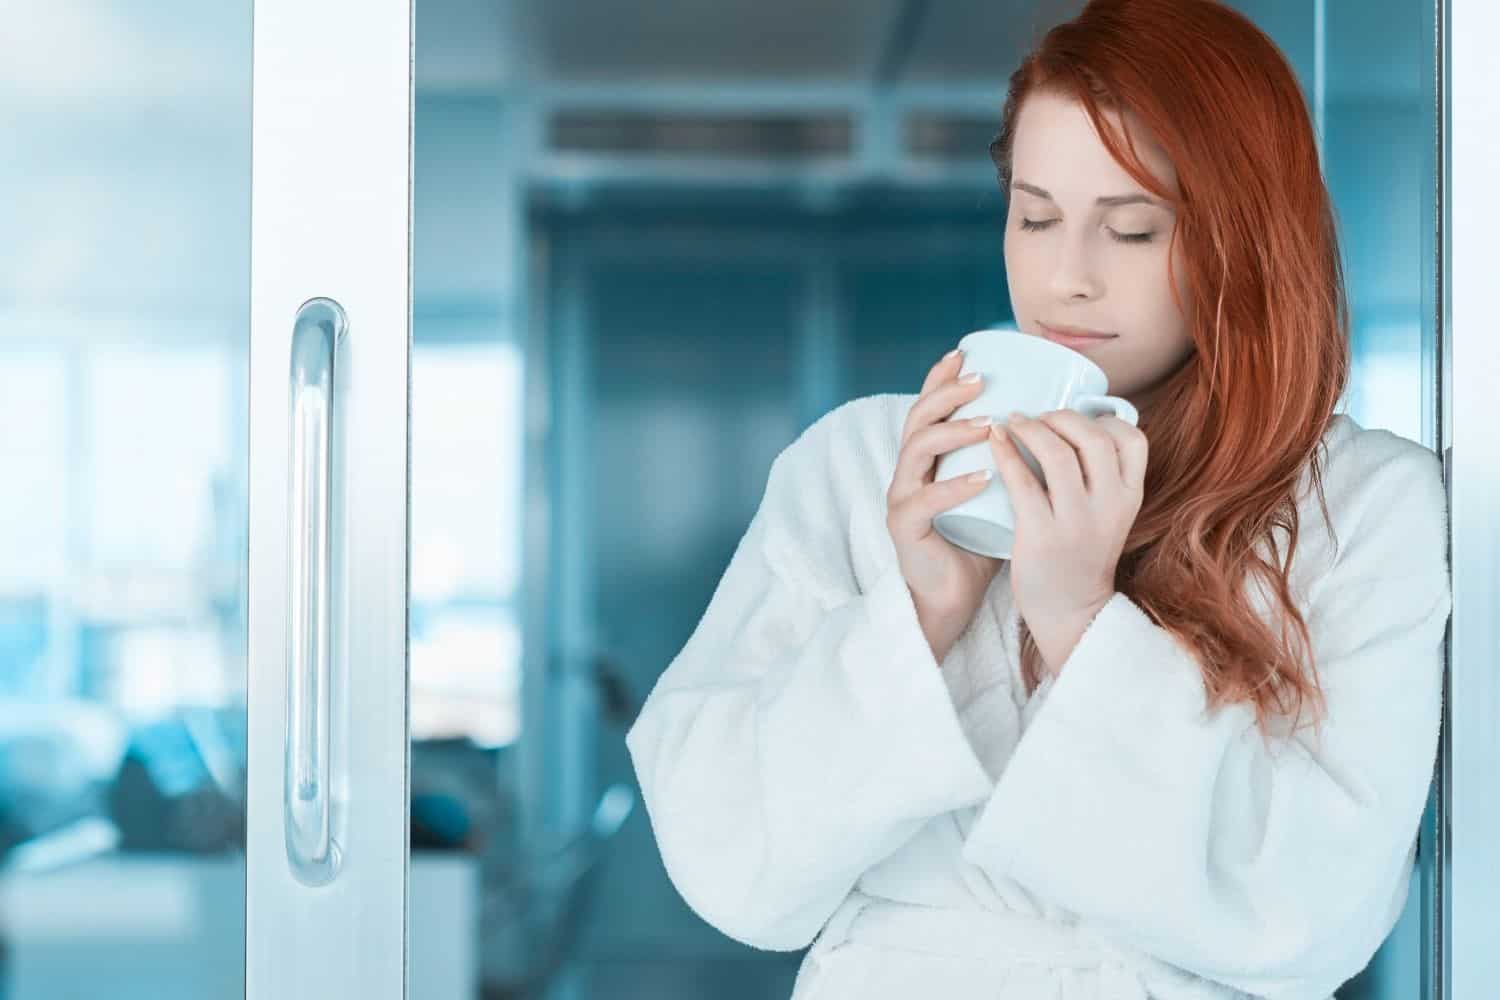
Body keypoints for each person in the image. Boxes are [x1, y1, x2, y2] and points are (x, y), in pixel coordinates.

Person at [623, 0, 1451, 997]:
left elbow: (1317, 917)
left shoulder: (1365, 506)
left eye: (1134, 229)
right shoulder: (863, 467)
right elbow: (729, 867)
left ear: (1245, 238)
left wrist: (1078, 619)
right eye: (1037, 214)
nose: (1068, 277)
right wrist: (917, 617)